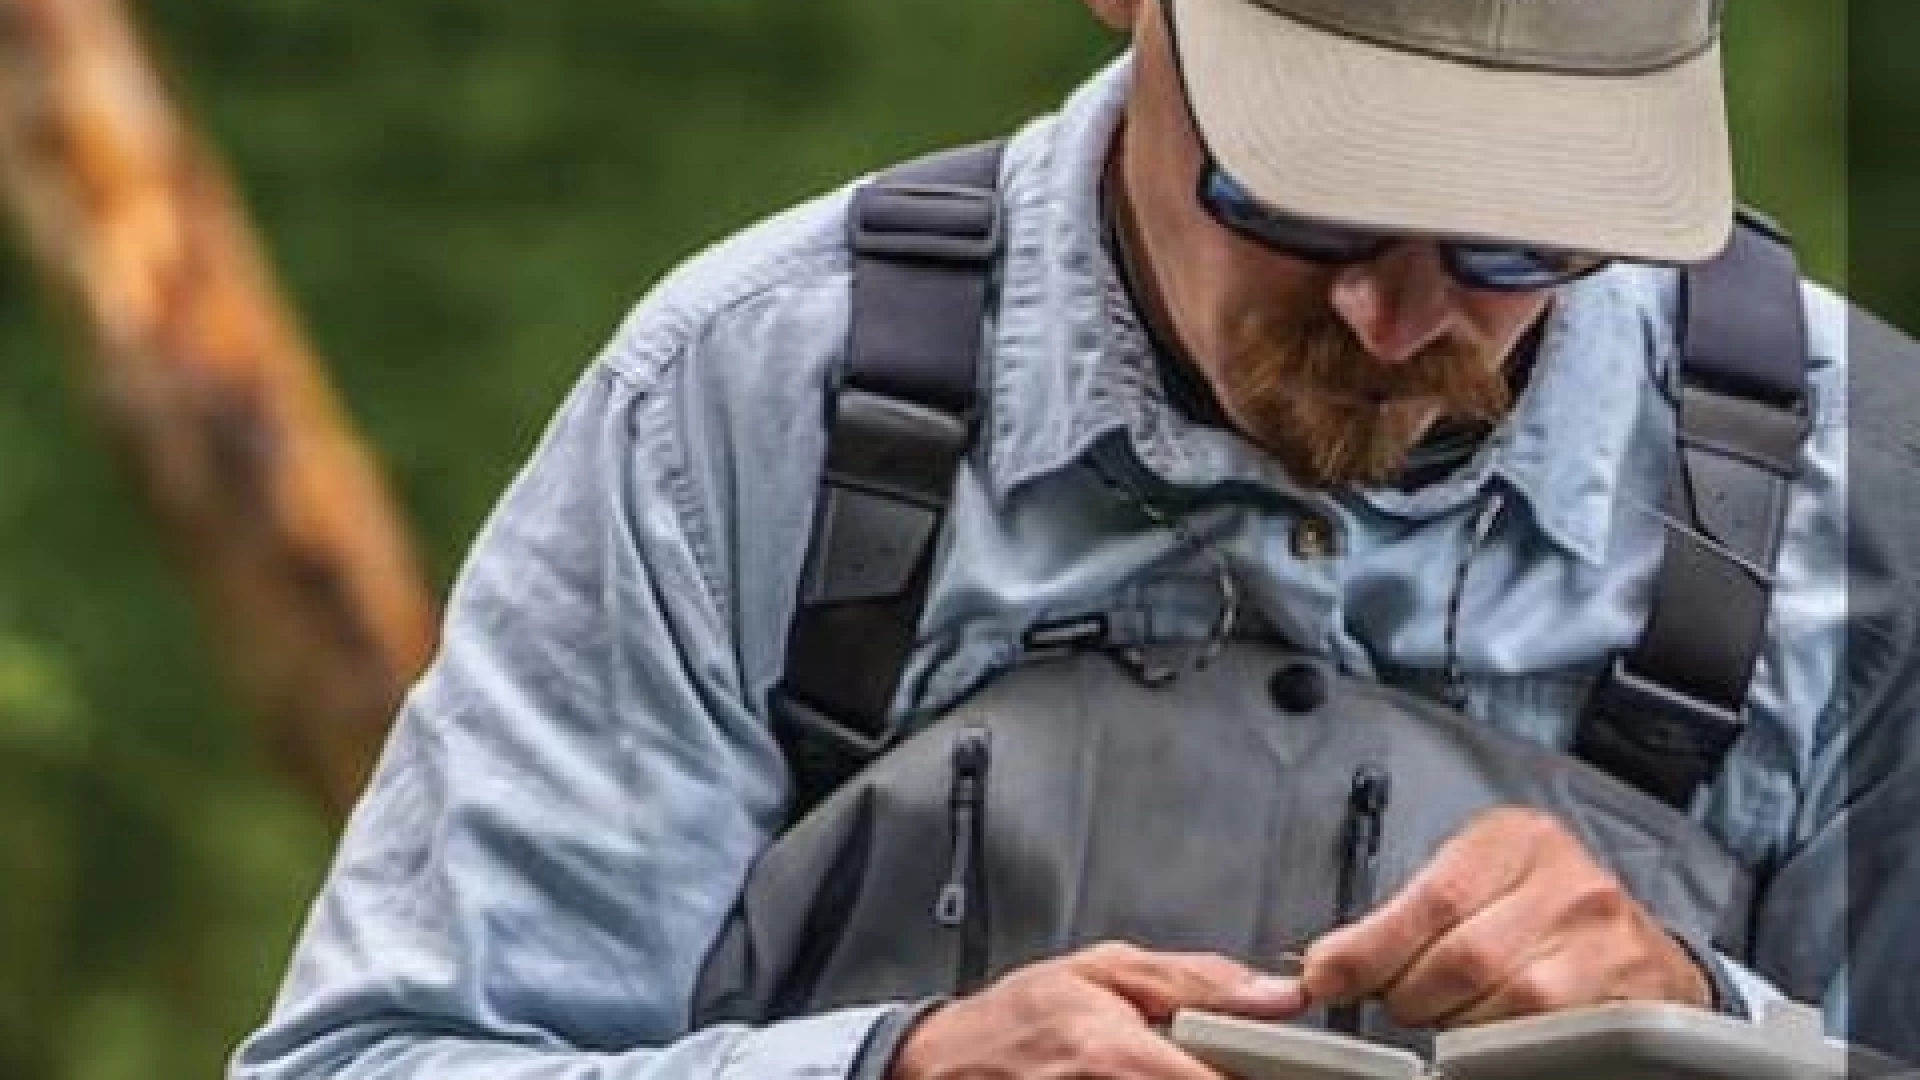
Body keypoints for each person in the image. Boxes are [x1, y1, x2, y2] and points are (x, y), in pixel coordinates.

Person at [233, 0, 1920, 1076]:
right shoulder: (759, 404)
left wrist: (1702, 1034)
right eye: (1310, 199)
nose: (1401, 320)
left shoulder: (1867, 498)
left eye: (1519, 245)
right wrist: (895, 1071)